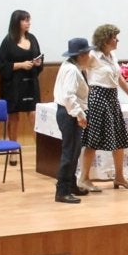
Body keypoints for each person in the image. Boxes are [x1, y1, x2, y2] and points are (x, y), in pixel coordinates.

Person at [81, 23, 128, 191]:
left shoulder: (112, 56)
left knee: (119, 139)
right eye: (114, 37)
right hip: (97, 98)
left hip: (112, 98)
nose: (117, 40)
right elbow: (79, 71)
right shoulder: (92, 55)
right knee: (92, 140)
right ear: (105, 39)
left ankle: (120, 177)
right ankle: (84, 178)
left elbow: (118, 78)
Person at [53, 36, 95, 204]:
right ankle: (62, 190)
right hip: (69, 114)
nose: (90, 56)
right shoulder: (71, 70)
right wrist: (79, 114)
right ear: (81, 55)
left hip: (69, 112)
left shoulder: (71, 66)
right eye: (88, 53)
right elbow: (69, 96)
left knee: (74, 151)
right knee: (69, 153)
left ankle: (70, 184)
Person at [0, 9, 43, 151]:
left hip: (31, 83)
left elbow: (39, 56)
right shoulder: (8, 41)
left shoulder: (32, 38)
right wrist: (20, 65)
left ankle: (41, 151)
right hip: (13, 85)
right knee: (14, 117)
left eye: (29, 20)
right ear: (17, 22)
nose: (28, 23)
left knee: (34, 115)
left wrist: (38, 63)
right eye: (25, 20)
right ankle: (13, 149)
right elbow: (1, 66)